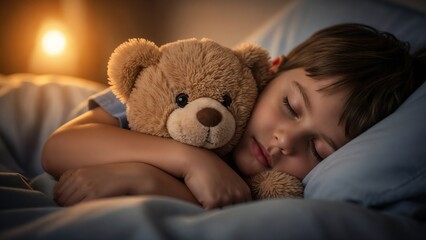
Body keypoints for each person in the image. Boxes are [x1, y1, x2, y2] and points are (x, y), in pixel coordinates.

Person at [42, 23, 425, 209]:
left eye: (319, 150)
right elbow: (58, 149)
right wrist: (188, 158)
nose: (284, 142)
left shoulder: (278, 194)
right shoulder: (198, 81)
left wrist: (143, 178)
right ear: (271, 71)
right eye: (290, 106)